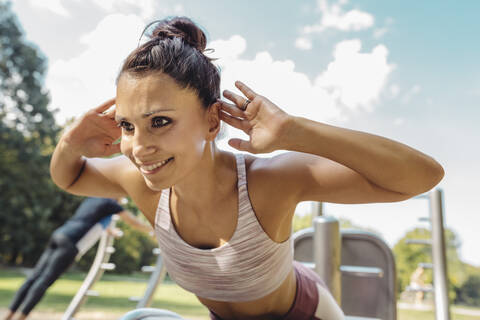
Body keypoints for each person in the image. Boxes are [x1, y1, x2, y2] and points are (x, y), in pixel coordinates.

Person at [48, 16, 444, 320]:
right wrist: (69, 143)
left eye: (160, 122)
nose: (139, 147)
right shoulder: (142, 183)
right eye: (127, 126)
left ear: (211, 121)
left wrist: (295, 132)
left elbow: (422, 176)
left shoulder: (268, 182)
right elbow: (70, 176)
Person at [4, 197, 152, 320]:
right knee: (44, 281)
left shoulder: (93, 199)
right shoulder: (111, 203)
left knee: (34, 277)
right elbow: (134, 222)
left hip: (60, 234)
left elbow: (90, 221)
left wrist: (111, 231)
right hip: (71, 243)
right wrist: (153, 229)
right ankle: (21, 318)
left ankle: (8, 315)